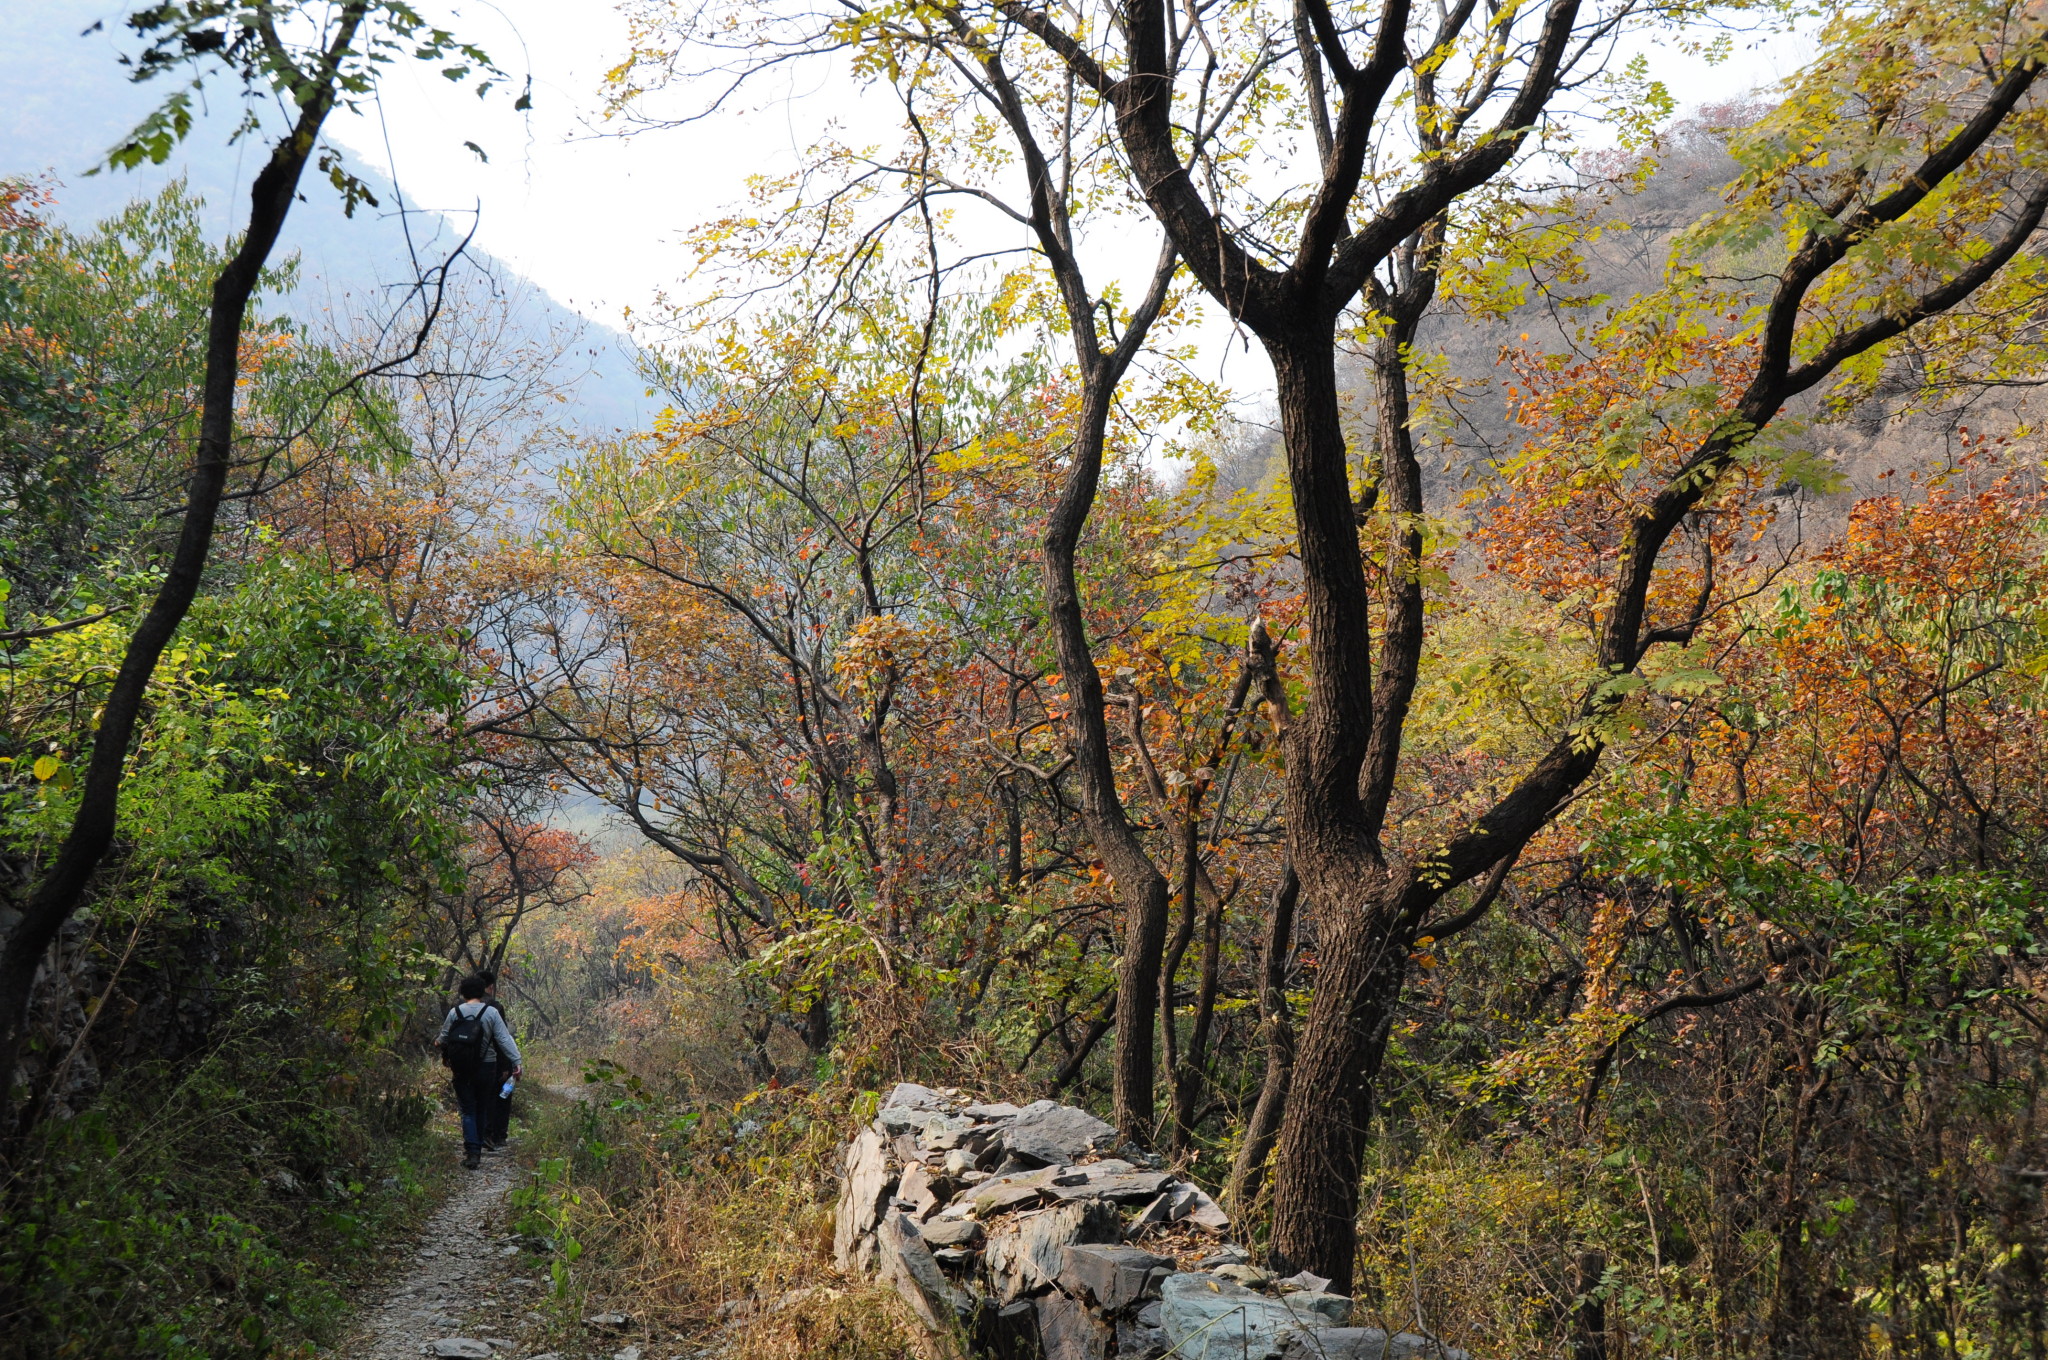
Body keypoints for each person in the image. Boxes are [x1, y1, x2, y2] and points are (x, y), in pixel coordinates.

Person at [434, 973, 521, 1170]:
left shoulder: (455, 1012)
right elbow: (504, 1039)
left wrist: (441, 1047)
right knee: (482, 1107)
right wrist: (517, 1062)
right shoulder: (491, 1012)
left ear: (463, 993)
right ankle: (478, 1147)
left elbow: (443, 1038)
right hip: (487, 1067)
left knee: (468, 1109)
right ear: (482, 992)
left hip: (461, 1068)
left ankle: (472, 1151)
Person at [478, 969, 513, 1151]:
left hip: (467, 1063)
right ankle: (498, 1135)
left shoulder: (459, 1006)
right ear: (490, 987)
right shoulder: (495, 1007)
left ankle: (479, 1135)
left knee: (476, 1099)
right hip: (494, 1061)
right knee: (502, 1094)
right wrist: (508, 1065)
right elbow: (502, 1038)